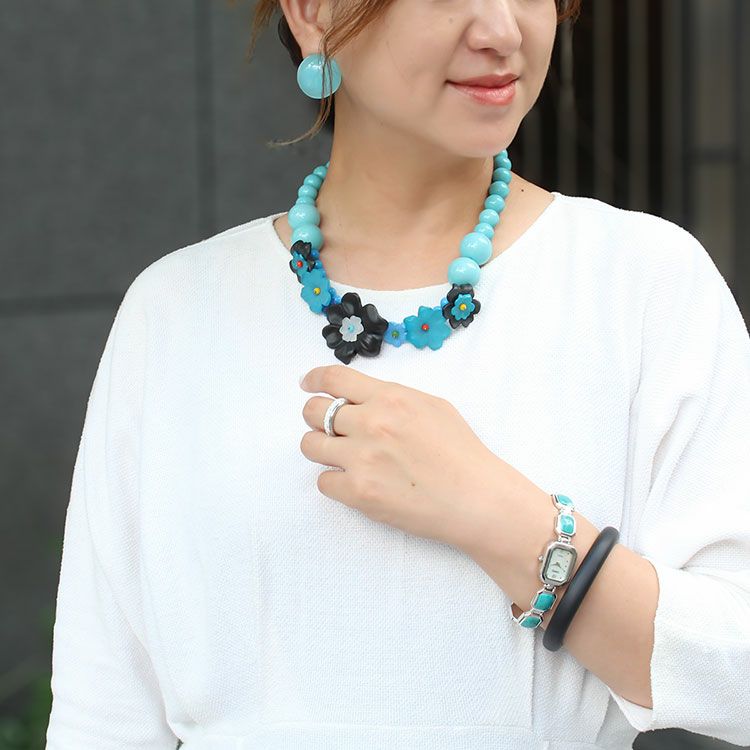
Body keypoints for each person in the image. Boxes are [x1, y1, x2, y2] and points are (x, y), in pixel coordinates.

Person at [45, 1, 750, 748]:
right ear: (313, 13)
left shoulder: (642, 284)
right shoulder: (175, 313)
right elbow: (103, 713)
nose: (501, 31)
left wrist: (501, 517)